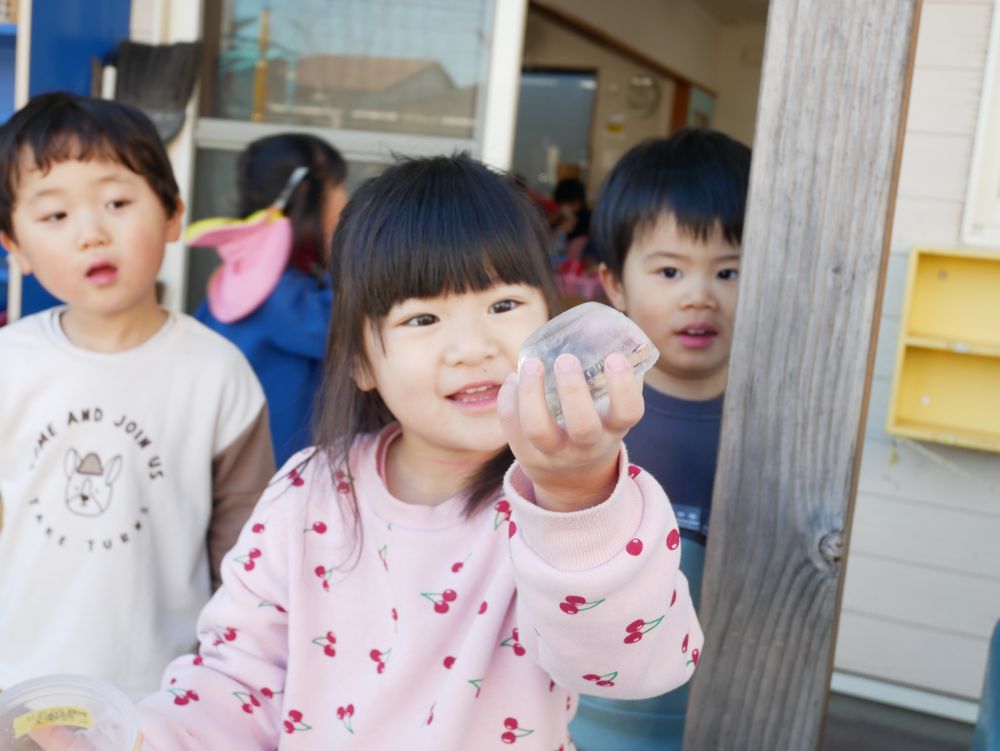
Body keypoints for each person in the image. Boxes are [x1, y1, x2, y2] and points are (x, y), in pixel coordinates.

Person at [30, 153, 704, 750]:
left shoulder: (583, 500)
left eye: (503, 304)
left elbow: (635, 667)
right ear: (359, 359)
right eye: (422, 318)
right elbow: (239, 688)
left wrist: (576, 493)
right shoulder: (308, 494)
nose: (472, 346)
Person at [0, 92, 275, 699]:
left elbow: (247, 557)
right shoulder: (8, 367)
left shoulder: (217, 374)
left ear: (172, 214)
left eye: (118, 203)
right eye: (54, 217)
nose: (92, 234)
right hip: (16, 689)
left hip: (162, 697)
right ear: (13, 246)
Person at [570, 128, 751, 750]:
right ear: (614, 284)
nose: (700, 295)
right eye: (670, 270)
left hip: (730, 717)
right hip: (582, 721)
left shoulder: (776, 428)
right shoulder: (585, 417)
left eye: (729, 270)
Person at [193, 133, 348, 466]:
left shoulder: (245, 275)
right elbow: (349, 324)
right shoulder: (281, 295)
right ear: (307, 194)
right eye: (338, 186)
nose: (346, 199)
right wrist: (350, 252)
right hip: (270, 477)